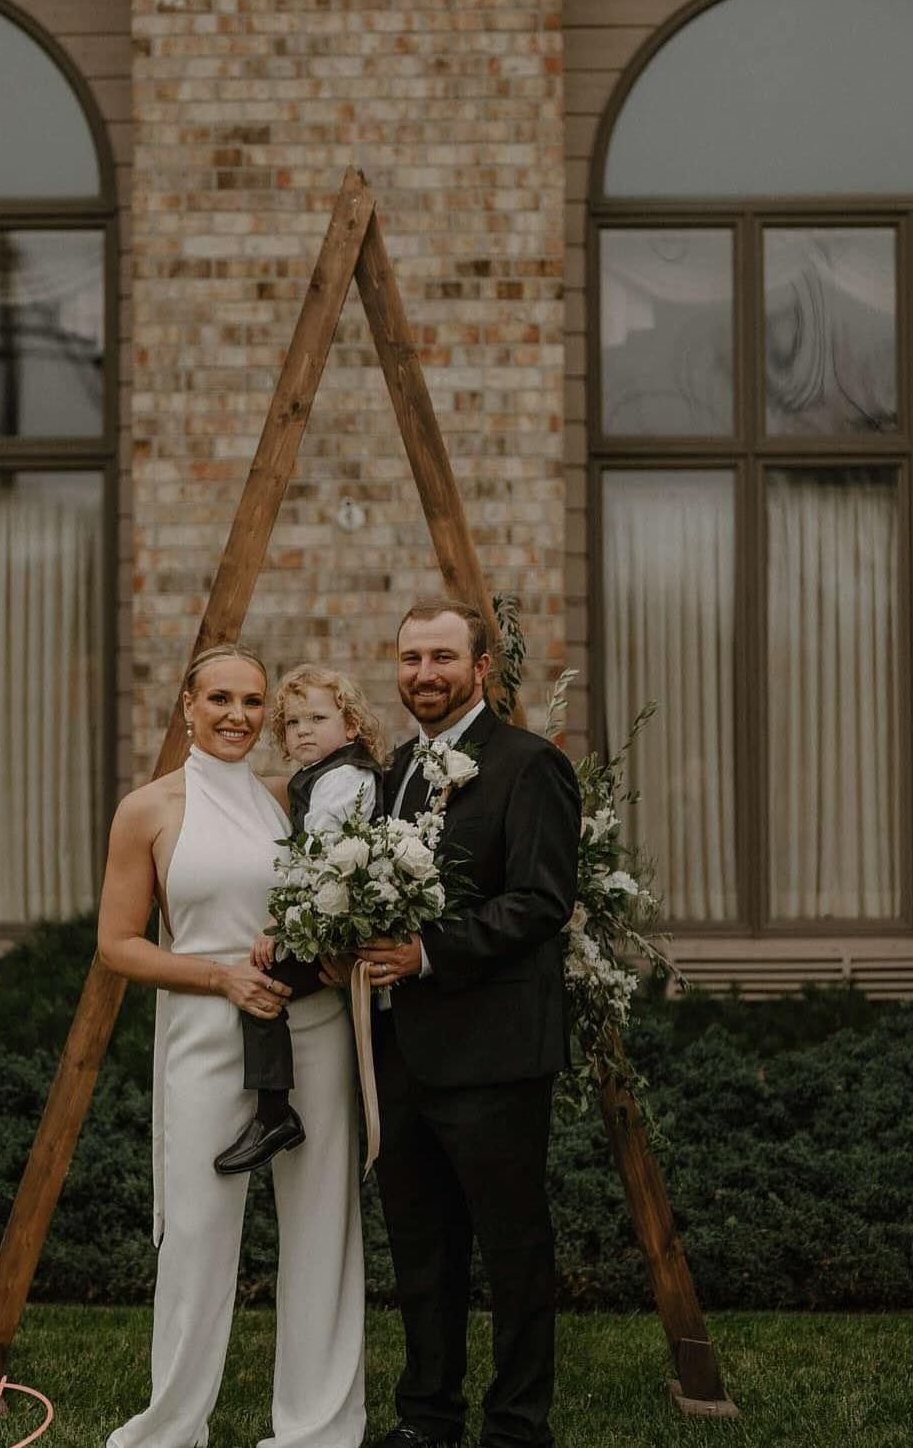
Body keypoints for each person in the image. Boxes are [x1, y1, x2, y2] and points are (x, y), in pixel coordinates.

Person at [98, 642, 366, 1448]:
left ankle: (317, 1428)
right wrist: (220, 982)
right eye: (220, 700)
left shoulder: (290, 799)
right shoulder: (148, 809)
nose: (237, 717)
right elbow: (117, 945)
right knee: (197, 1229)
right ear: (186, 705)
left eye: (253, 703)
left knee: (323, 1222)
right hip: (205, 1027)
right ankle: (172, 1427)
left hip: (309, 1027)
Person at [354, 599, 580, 1448]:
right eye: (411, 659)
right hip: (399, 1054)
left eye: (442, 658)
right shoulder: (391, 776)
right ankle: (426, 1419)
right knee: (422, 1253)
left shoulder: (527, 766)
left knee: (512, 1253)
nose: (424, 675)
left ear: (480, 667)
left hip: (493, 1055)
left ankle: (517, 1425)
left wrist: (427, 952)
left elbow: (540, 901)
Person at [214, 663, 387, 1176]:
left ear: (351, 726)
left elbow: (321, 862)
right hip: (333, 920)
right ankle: (274, 1113)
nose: (304, 730)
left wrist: (279, 926)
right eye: (292, 723)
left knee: (261, 990)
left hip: (336, 927)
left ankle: (274, 1115)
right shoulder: (326, 776)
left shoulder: (343, 780)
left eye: (317, 718)